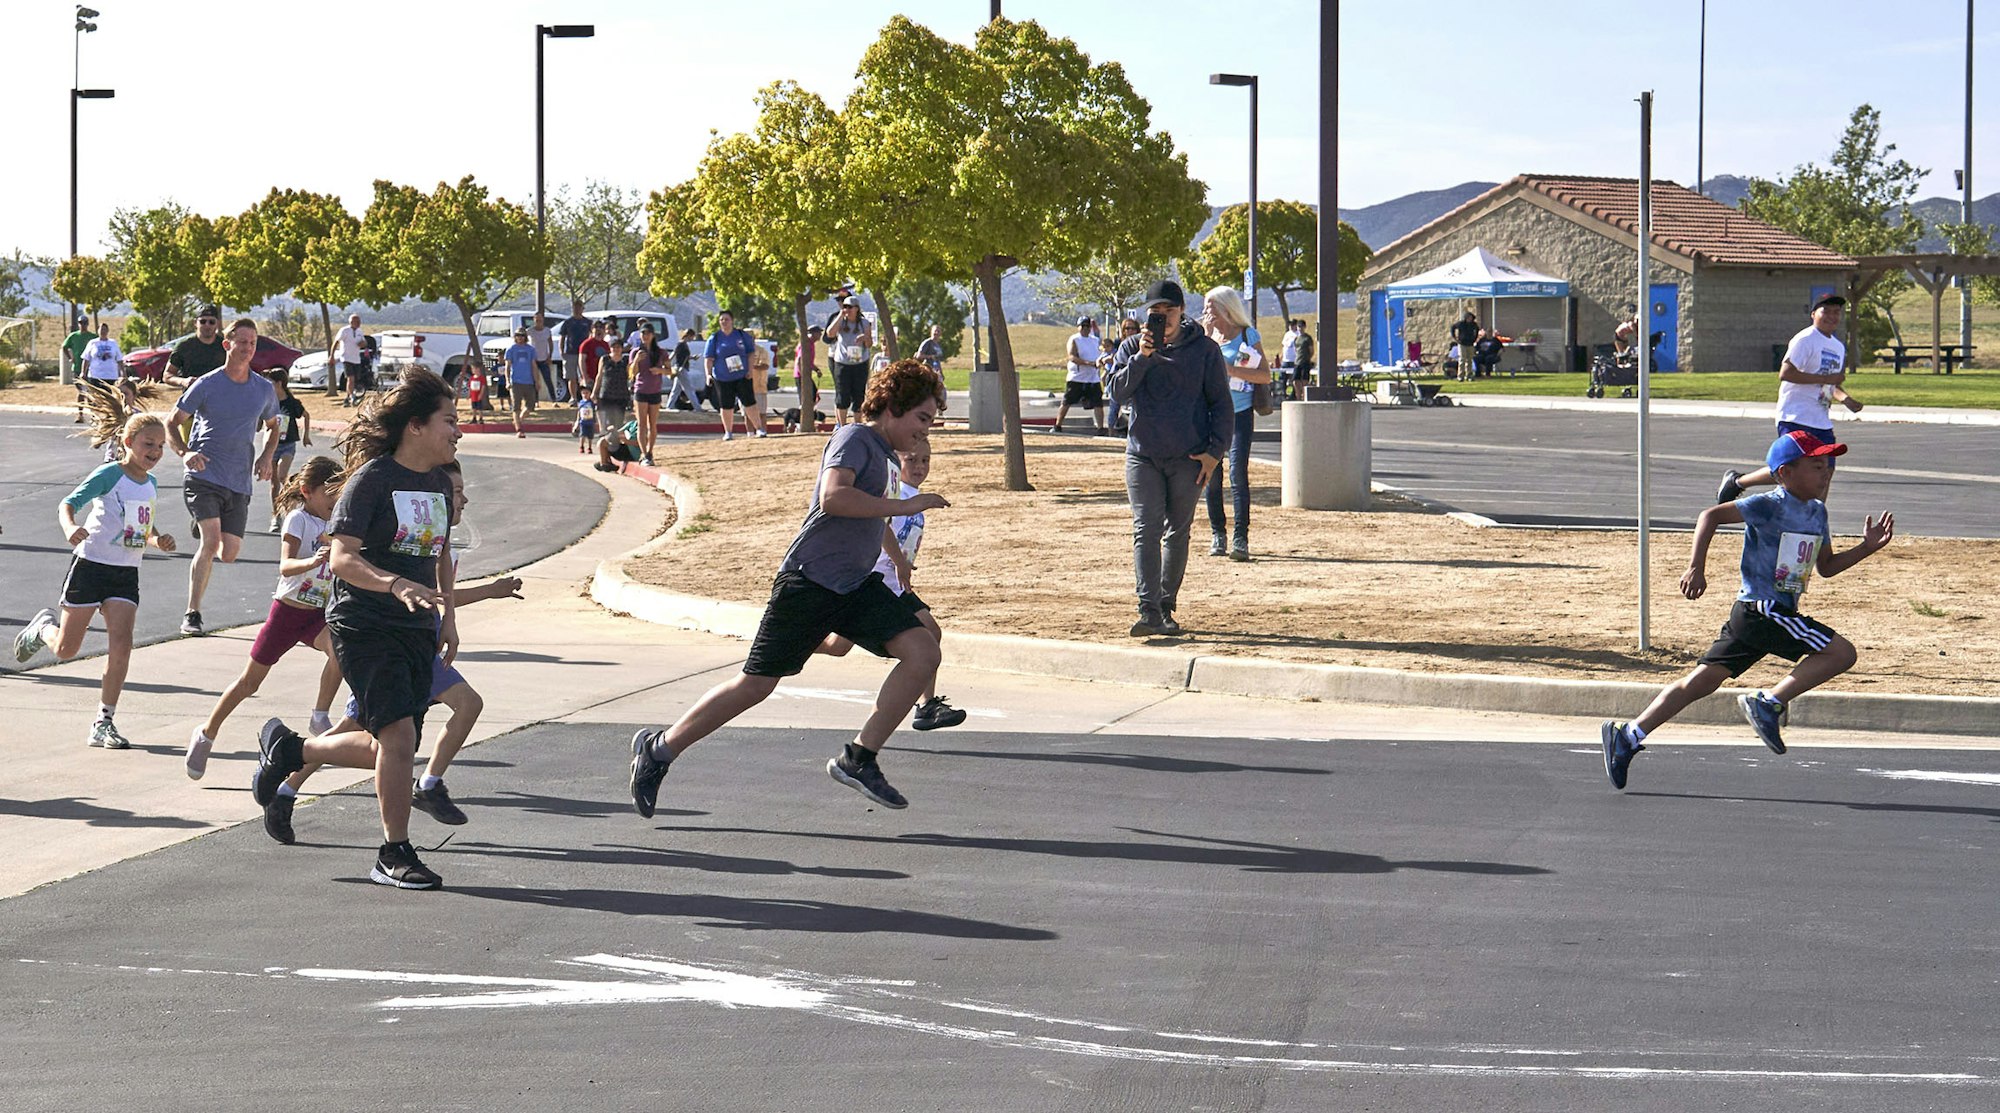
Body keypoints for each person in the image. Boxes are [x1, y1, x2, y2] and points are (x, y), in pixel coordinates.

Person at [627, 359, 949, 818]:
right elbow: (834, 498)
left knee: (924, 651)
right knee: (755, 685)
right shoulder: (855, 438)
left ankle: (859, 758)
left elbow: (865, 514)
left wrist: (893, 551)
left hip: (855, 585)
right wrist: (904, 505)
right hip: (810, 582)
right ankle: (659, 750)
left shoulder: (879, 453)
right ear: (893, 407)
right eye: (921, 419)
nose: (923, 433)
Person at [249, 370, 461, 890]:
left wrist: (447, 616)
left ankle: (292, 750)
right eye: (449, 421)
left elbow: (436, 557)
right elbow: (342, 558)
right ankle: (393, 853)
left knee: (384, 746)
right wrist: (393, 587)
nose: (458, 431)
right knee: (399, 737)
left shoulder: (437, 480)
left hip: (415, 625)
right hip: (364, 623)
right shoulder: (372, 480)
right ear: (415, 426)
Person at [1601, 431, 1895, 789]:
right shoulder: (1769, 503)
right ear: (1784, 473)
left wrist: (1866, 547)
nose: (1826, 473)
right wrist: (1696, 567)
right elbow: (1709, 515)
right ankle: (1768, 702)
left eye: (1829, 466)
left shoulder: (1818, 512)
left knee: (1701, 681)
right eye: (1816, 465)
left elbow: (1827, 566)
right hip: (1761, 609)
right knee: (1841, 652)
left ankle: (1628, 734)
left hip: (1764, 614)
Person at [264, 461, 523, 843]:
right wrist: (487, 591)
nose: (463, 499)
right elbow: (376, 572)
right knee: (451, 711)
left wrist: (452, 619)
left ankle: (288, 780)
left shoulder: (438, 538)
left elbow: (442, 596)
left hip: (422, 641)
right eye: (455, 492)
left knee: (367, 737)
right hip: (391, 643)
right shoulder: (410, 529)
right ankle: (426, 786)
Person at [12, 387, 179, 749]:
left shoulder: (150, 484)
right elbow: (67, 504)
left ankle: (104, 722)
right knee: (66, 651)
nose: (155, 452)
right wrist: (71, 528)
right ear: (128, 442)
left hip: (125, 573)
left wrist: (158, 540)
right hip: (91, 566)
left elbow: (141, 530)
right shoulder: (109, 474)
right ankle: (43, 629)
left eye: (161, 446)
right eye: (149, 444)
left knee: (122, 646)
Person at [184, 456, 345, 779]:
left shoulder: (336, 522)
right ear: (307, 491)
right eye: (329, 493)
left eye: (338, 493)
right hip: (287, 612)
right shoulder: (298, 520)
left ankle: (319, 714)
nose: (335, 500)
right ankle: (207, 732)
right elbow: (285, 566)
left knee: (342, 650)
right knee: (249, 682)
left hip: (317, 613)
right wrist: (312, 562)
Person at [813, 437, 967, 732]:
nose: (920, 466)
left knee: (838, 646)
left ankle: (924, 706)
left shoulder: (909, 495)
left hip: (893, 583)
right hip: (876, 581)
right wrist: (899, 561)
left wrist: (903, 563)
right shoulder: (896, 494)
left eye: (925, 460)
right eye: (912, 460)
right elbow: (881, 525)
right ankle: (924, 706)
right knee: (926, 634)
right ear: (897, 461)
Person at [1104, 280, 1230, 638]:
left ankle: (1165, 606)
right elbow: (1116, 391)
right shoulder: (1131, 346)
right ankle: (1148, 609)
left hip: (1188, 458)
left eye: (1168, 312)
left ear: (1181, 311)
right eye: (1155, 314)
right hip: (1142, 456)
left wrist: (1214, 454)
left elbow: (1221, 404)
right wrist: (1142, 358)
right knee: (1146, 527)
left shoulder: (1204, 350)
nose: (1162, 320)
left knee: (1178, 532)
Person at [168, 318, 280, 637]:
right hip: (203, 474)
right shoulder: (206, 384)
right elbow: (171, 422)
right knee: (211, 541)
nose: (247, 348)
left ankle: (202, 521)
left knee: (228, 553)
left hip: (239, 479)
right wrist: (185, 453)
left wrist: (267, 456)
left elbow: (274, 427)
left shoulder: (263, 389)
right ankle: (193, 613)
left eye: (253, 343)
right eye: (241, 341)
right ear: (226, 344)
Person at [1717, 294, 1865, 504]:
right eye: (1826, 311)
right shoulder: (1805, 339)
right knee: (1793, 469)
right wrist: (1826, 378)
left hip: (1820, 419)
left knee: (1825, 470)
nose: (1832, 316)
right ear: (1814, 314)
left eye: (1836, 312)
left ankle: (1815, 518)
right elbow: (1786, 373)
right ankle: (1738, 482)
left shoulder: (1838, 347)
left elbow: (1830, 384)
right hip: (1796, 415)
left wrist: (1846, 399)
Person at [1200, 287, 1270, 562]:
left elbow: (1264, 375)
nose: (1206, 311)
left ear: (1225, 309)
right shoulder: (1206, 338)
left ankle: (1241, 537)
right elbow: (1194, 369)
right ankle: (1218, 533)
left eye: (1210, 306)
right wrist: (1206, 336)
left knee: (1237, 474)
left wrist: (1229, 369)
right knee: (1211, 475)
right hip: (1210, 415)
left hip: (1239, 414)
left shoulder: (1247, 336)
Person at [265, 370, 312, 532]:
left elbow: (306, 415)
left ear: (279, 383)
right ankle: (276, 516)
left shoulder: (291, 402)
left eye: (270, 382)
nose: (268, 386)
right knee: (274, 483)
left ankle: (290, 510)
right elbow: (259, 418)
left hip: (288, 444)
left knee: (282, 475)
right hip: (271, 444)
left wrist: (306, 435)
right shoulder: (268, 401)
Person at [706, 310, 762, 440]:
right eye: (722, 320)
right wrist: (708, 374)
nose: (724, 322)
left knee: (749, 403)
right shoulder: (714, 338)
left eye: (727, 319)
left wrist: (750, 370)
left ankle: (759, 428)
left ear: (732, 321)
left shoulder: (741, 335)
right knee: (726, 405)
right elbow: (709, 358)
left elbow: (750, 353)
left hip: (742, 376)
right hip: (722, 378)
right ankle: (728, 432)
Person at [825, 296, 874, 427]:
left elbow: (869, 344)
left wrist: (865, 337)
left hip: (860, 363)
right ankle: (841, 425)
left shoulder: (864, 323)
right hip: (842, 363)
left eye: (849, 307)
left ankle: (858, 425)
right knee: (842, 395)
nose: (847, 309)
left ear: (857, 309)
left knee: (859, 395)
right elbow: (830, 333)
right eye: (844, 306)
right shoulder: (841, 321)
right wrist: (841, 315)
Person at [1054, 317, 1107, 434]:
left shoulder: (1094, 340)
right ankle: (1058, 425)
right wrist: (1088, 363)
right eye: (1083, 326)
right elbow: (1072, 357)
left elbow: (1100, 353)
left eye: (1088, 326)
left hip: (1092, 378)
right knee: (1067, 401)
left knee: (1098, 403)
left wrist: (1100, 362)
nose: (1085, 328)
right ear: (1078, 327)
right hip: (1077, 377)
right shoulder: (1074, 339)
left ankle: (1100, 428)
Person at [165, 306, 227, 390]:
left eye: (211, 322)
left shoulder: (225, 346)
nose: (207, 325)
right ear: (195, 323)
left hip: (219, 397)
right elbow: (167, 375)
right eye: (203, 321)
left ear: (218, 324)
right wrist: (183, 381)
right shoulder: (184, 346)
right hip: (192, 398)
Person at [631, 324, 666, 465]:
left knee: (653, 424)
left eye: (648, 333)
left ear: (653, 335)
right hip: (640, 390)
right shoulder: (636, 352)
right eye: (643, 333)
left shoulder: (661, 352)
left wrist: (660, 370)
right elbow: (631, 373)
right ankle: (644, 453)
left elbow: (671, 370)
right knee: (642, 424)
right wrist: (636, 360)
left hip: (655, 390)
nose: (645, 336)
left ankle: (650, 451)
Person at [591, 335, 632, 448]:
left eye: (618, 347)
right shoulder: (604, 359)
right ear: (610, 348)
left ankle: (617, 444)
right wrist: (594, 392)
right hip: (606, 394)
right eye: (614, 347)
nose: (616, 349)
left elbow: (630, 375)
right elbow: (599, 376)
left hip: (621, 394)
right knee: (609, 422)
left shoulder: (625, 360)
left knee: (619, 421)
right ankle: (608, 443)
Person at [78, 322, 123, 422]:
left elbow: (119, 359)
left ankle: (108, 416)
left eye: (105, 330)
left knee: (110, 398)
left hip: (111, 375)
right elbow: (86, 359)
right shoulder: (93, 343)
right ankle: (95, 415)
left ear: (108, 331)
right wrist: (83, 372)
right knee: (95, 397)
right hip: (95, 375)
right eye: (101, 329)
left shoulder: (113, 343)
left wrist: (123, 373)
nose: (103, 332)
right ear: (98, 331)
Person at [1102, 317, 1141, 434]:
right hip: (1119, 375)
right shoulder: (1119, 343)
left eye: (1133, 328)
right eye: (1127, 328)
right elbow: (1111, 354)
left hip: (1133, 377)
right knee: (1114, 407)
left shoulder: (1139, 342)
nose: (1130, 331)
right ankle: (1111, 432)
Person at [503, 328, 538, 439]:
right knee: (516, 406)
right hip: (516, 382)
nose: (520, 337)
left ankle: (518, 420)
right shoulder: (511, 349)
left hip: (528, 381)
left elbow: (534, 366)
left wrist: (537, 381)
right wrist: (508, 381)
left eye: (522, 335)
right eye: (518, 335)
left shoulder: (531, 350)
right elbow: (507, 367)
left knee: (530, 405)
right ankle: (519, 429)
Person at [559, 299, 592, 404]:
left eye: (579, 307)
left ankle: (586, 397)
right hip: (570, 352)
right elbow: (563, 337)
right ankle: (573, 397)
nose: (577, 310)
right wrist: (561, 350)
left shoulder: (587, 322)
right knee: (571, 377)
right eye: (575, 307)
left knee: (584, 375)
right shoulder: (568, 322)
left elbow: (591, 336)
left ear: (583, 309)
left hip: (584, 353)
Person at [793, 325, 823, 432]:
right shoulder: (805, 344)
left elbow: (809, 362)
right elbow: (799, 360)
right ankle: (800, 420)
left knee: (815, 397)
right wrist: (804, 376)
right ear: (813, 333)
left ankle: (808, 417)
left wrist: (816, 369)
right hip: (801, 376)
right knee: (806, 399)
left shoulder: (812, 344)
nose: (820, 335)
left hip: (806, 375)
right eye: (819, 332)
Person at [333, 313, 367, 406]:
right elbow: (336, 342)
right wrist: (331, 356)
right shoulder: (344, 330)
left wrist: (363, 344)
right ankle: (352, 397)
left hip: (356, 359)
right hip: (346, 358)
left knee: (355, 379)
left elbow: (364, 342)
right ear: (351, 322)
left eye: (359, 321)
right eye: (357, 321)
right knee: (350, 379)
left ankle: (347, 398)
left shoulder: (360, 331)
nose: (359, 323)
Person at [668, 327, 702, 412]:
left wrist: (692, 358)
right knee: (689, 389)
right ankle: (697, 408)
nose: (692, 339)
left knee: (676, 390)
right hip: (681, 369)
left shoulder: (682, 344)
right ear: (689, 336)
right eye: (692, 337)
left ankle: (669, 406)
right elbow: (674, 355)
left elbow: (684, 357)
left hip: (680, 368)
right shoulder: (681, 344)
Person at [62, 316, 93, 409]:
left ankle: (93, 414)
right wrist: (70, 358)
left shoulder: (92, 337)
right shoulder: (73, 336)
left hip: (90, 369)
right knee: (82, 391)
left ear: (87, 324)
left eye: (84, 323)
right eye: (80, 323)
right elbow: (64, 346)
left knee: (90, 391)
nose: (82, 325)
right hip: (77, 368)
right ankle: (80, 413)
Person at [528, 311, 558, 404]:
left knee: (548, 379)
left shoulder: (547, 331)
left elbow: (550, 343)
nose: (538, 321)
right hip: (534, 359)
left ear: (543, 320)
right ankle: (535, 401)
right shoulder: (530, 331)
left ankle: (554, 400)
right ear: (534, 320)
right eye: (536, 320)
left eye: (540, 320)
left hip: (544, 358)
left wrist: (550, 355)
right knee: (535, 380)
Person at [578, 318, 610, 396]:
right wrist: (585, 377)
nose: (599, 330)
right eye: (596, 327)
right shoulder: (586, 344)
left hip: (602, 377)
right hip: (590, 378)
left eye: (601, 327)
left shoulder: (606, 344)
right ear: (592, 329)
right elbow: (581, 361)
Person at [1450, 310, 1480, 382]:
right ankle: (1460, 376)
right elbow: (1453, 327)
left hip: (1470, 344)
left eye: (1471, 318)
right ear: (1465, 317)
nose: (1470, 319)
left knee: (1469, 360)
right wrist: (1455, 337)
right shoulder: (1461, 324)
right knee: (1462, 359)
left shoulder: (1474, 325)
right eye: (1469, 317)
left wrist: (1474, 339)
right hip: (1462, 343)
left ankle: (1469, 375)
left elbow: (1477, 331)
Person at [1290, 318, 1316, 390]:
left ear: (1304, 327)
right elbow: (1296, 349)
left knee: (1305, 381)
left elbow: (1311, 350)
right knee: (1295, 381)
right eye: (1299, 326)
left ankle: (1305, 397)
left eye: (1301, 326)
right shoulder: (1296, 339)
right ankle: (1298, 397)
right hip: (1297, 362)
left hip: (1305, 362)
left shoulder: (1307, 338)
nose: (1300, 328)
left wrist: (1307, 358)